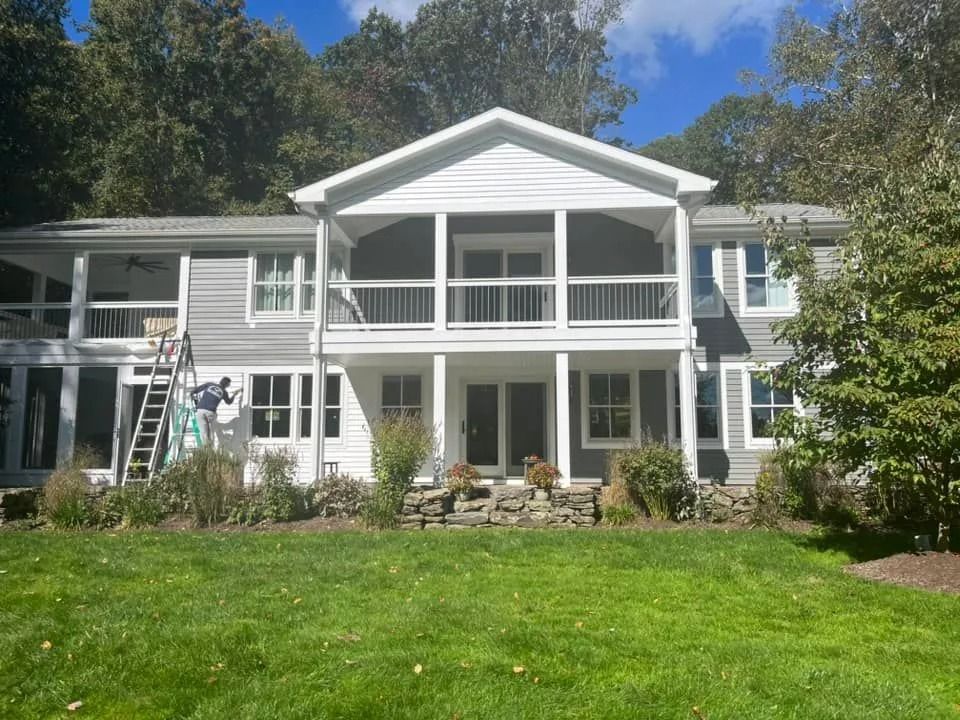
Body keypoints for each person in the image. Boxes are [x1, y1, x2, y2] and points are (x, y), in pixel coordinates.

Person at [191, 377, 242, 446]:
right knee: (211, 433)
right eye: (229, 385)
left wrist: (196, 402)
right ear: (227, 385)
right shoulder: (224, 392)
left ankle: (206, 452)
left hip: (200, 411)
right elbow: (229, 402)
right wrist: (234, 395)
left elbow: (194, 391)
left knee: (204, 433)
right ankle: (210, 453)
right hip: (210, 412)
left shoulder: (209, 384)